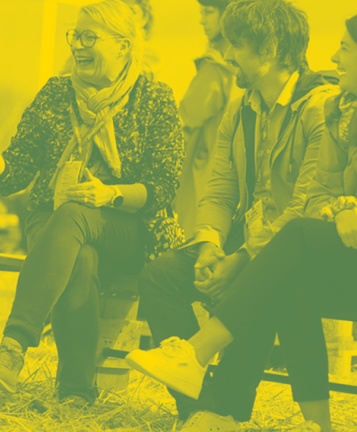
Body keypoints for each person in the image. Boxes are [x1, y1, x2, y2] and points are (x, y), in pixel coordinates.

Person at [128, 8, 357, 432]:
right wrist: (211, 244)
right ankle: (302, 424)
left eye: (345, 49)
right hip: (324, 243)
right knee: (283, 283)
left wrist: (342, 215)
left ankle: (198, 355)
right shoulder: (342, 115)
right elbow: (319, 194)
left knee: (290, 247)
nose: (333, 57)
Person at [0, 0, 184, 404]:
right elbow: (14, 174)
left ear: (123, 46)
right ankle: (76, 393)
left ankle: (12, 349)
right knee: (80, 255)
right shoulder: (55, 93)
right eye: (74, 36)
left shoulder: (155, 98)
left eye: (89, 37)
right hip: (54, 224)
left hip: (126, 226)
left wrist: (109, 194)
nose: (77, 45)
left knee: (75, 213)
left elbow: (164, 186)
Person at [134, 0, 338, 429]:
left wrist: (242, 258)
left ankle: (224, 409)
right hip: (246, 238)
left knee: (263, 282)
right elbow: (221, 189)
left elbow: (305, 208)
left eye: (237, 45)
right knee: (160, 275)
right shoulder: (241, 108)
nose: (227, 55)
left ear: (271, 50)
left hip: (296, 249)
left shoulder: (321, 109)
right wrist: (210, 243)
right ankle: (204, 410)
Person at [174, 0, 239, 231]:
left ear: (226, 15)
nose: (202, 20)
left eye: (208, 12)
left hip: (205, 171)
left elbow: (185, 117)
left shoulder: (215, 67)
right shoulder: (239, 63)